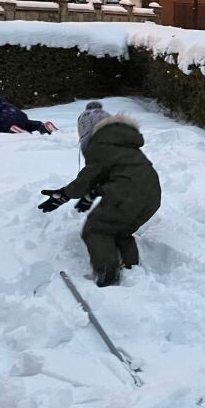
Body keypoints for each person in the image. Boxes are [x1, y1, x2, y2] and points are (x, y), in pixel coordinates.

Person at [38, 102, 161, 287]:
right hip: (151, 196)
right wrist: (93, 194)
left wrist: (63, 194)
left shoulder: (100, 144)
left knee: (96, 229)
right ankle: (131, 268)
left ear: (87, 132)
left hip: (127, 195)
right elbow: (119, 173)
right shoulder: (122, 142)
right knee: (120, 231)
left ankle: (106, 274)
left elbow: (87, 178)